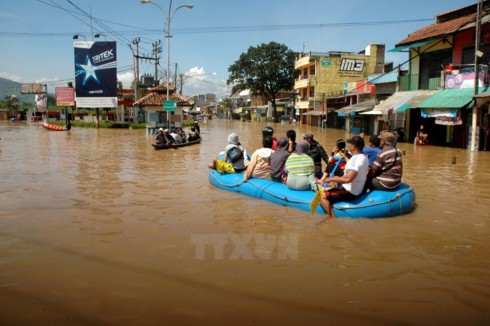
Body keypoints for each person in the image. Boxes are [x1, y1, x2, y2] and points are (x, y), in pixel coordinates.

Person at [319, 135, 369, 217]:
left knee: (322, 197)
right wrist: (345, 157)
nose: (349, 146)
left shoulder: (356, 159)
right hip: (357, 189)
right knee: (334, 185)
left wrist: (332, 179)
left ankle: (333, 219)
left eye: (350, 144)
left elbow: (348, 179)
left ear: (353, 146)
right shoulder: (363, 157)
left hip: (350, 192)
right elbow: (354, 168)